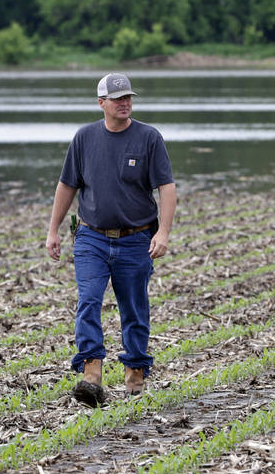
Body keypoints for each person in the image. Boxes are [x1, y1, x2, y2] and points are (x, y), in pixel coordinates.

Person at [46, 73, 177, 406]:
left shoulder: (149, 138)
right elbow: (67, 186)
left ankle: (135, 373)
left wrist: (163, 232)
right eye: (118, 99)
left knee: (133, 308)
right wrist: (53, 230)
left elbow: (167, 188)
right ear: (101, 102)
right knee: (88, 299)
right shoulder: (85, 138)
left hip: (136, 239)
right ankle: (91, 374)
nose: (125, 103)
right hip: (91, 236)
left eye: (128, 97)